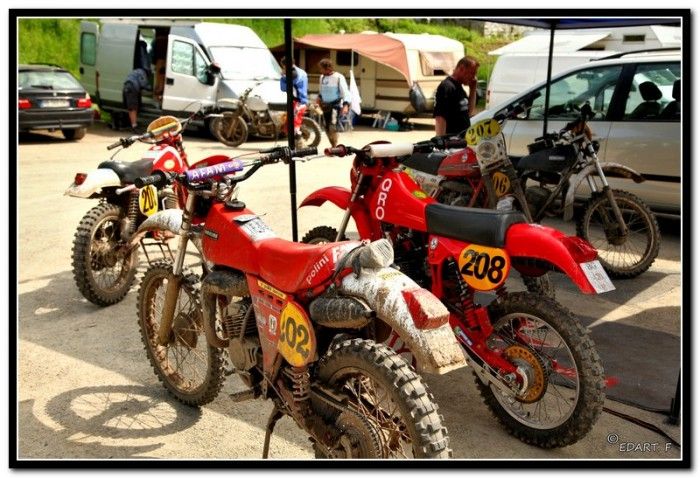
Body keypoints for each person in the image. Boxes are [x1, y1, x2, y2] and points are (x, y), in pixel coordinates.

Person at [433, 56, 480, 137]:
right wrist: (441, 140)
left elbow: (469, 112)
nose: (474, 77)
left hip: (461, 140)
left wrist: (473, 89)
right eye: (472, 73)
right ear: (461, 69)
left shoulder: (459, 88)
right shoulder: (447, 87)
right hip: (451, 140)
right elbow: (440, 117)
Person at [317, 58, 351, 147]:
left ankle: (334, 146)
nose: (320, 70)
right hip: (325, 105)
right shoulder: (322, 77)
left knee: (332, 126)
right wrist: (319, 99)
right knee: (326, 126)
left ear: (327, 68)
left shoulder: (338, 77)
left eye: (321, 68)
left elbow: (345, 92)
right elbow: (321, 91)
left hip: (335, 105)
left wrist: (346, 105)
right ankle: (332, 144)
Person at [279, 57, 309, 148]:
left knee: (294, 126)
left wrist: (283, 76)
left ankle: (301, 147)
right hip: (302, 100)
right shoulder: (301, 71)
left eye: (283, 66)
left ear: (285, 65)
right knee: (293, 124)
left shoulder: (292, 73)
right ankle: (298, 145)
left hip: (297, 102)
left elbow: (284, 88)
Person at [122, 67, 151, 132]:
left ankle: (131, 124)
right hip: (132, 88)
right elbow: (143, 84)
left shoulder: (135, 71)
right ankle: (134, 126)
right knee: (133, 108)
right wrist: (150, 88)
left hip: (126, 87)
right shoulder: (142, 73)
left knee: (130, 108)